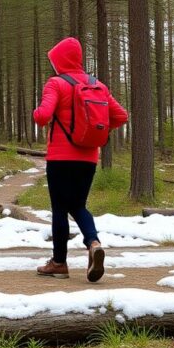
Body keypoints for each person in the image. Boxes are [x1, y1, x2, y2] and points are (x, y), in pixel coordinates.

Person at [32, 37, 127, 282]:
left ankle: (59, 263)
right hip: (88, 158)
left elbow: (43, 116)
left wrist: (36, 112)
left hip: (61, 158)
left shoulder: (56, 83)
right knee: (78, 205)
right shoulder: (98, 85)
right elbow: (120, 116)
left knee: (60, 209)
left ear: (59, 60)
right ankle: (93, 243)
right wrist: (97, 132)